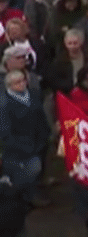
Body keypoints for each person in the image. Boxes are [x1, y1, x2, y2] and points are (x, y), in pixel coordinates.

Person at [0, 70, 46, 204]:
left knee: (35, 171)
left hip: (37, 142)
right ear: (10, 86)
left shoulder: (33, 95)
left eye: (23, 81)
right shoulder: (4, 105)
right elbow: (5, 132)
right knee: (26, 174)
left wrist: (42, 138)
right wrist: (23, 147)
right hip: (17, 148)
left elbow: (41, 119)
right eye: (17, 83)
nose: (22, 84)